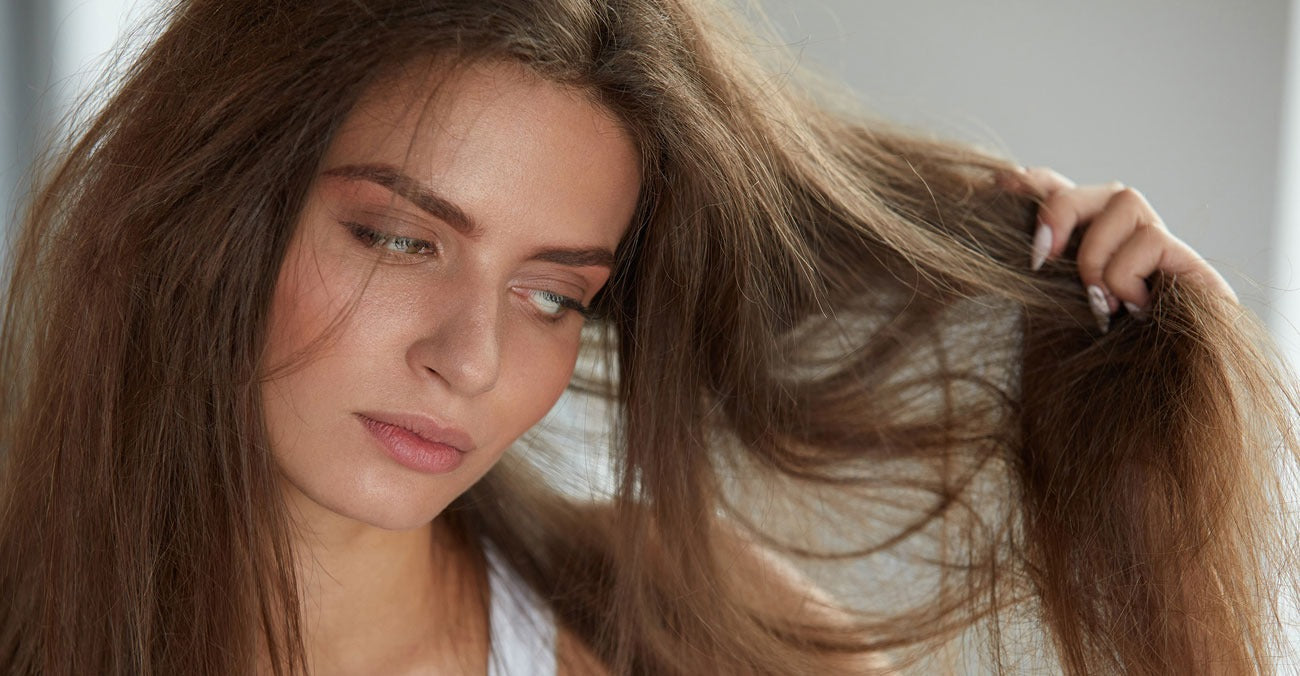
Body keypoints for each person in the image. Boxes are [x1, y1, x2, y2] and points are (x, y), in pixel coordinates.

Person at [0, 0, 1293, 674]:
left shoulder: (705, 636)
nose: (472, 359)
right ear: (216, 210)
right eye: (401, 240)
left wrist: (1149, 444)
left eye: (554, 293)